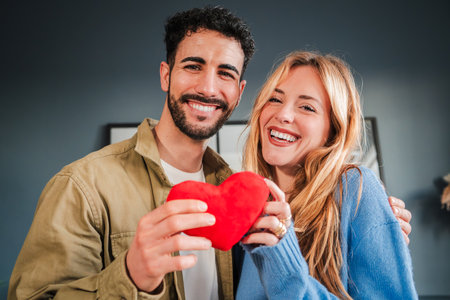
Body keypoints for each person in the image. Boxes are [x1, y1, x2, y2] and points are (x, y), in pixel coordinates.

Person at [8, 6, 411, 300]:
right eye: (193, 66)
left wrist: (376, 222)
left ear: (238, 92)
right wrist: (130, 274)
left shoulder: (241, 191)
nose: (208, 87)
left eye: (226, 74)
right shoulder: (83, 185)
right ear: (166, 74)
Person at [235, 51, 417, 299]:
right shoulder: (255, 209)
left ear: (333, 129)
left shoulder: (354, 188)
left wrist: (283, 261)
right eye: (275, 99)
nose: (283, 115)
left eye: (307, 107)